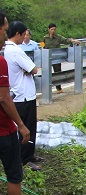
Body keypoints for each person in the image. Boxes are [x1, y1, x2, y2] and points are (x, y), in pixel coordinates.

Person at [0, 10, 36, 195]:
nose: (4, 35)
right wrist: (20, 126)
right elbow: (4, 98)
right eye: (3, 29)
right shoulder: (3, 59)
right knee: (14, 174)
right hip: (3, 130)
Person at [5, 21, 42, 172]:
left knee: (26, 126)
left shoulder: (6, 49)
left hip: (17, 93)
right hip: (24, 95)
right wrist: (29, 69)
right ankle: (25, 159)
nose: (25, 37)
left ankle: (29, 155)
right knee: (27, 127)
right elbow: (34, 69)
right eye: (24, 34)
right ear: (18, 34)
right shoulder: (16, 50)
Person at [43, 23, 80, 93]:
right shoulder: (45, 38)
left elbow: (65, 40)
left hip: (56, 58)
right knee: (46, 72)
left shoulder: (58, 37)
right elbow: (44, 46)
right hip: (48, 58)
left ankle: (58, 88)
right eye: (52, 29)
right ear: (48, 29)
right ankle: (46, 88)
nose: (53, 31)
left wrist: (73, 40)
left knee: (58, 72)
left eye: (54, 29)